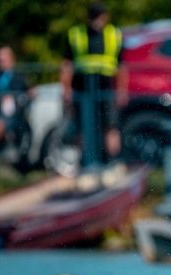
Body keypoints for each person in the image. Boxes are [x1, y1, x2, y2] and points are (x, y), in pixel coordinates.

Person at [60, 2, 127, 167]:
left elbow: (122, 66)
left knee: (110, 125)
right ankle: (84, 161)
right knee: (82, 126)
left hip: (106, 87)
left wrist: (122, 90)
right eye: (94, 16)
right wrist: (66, 89)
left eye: (100, 16)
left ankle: (113, 161)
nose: (97, 20)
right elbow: (66, 64)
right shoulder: (76, 34)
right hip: (82, 87)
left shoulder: (114, 34)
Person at [0, 45, 30, 164]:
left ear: (11, 59)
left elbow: (25, 94)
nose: (0, 62)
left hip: (13, 116)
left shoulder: (19, 77)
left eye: (3, 59)